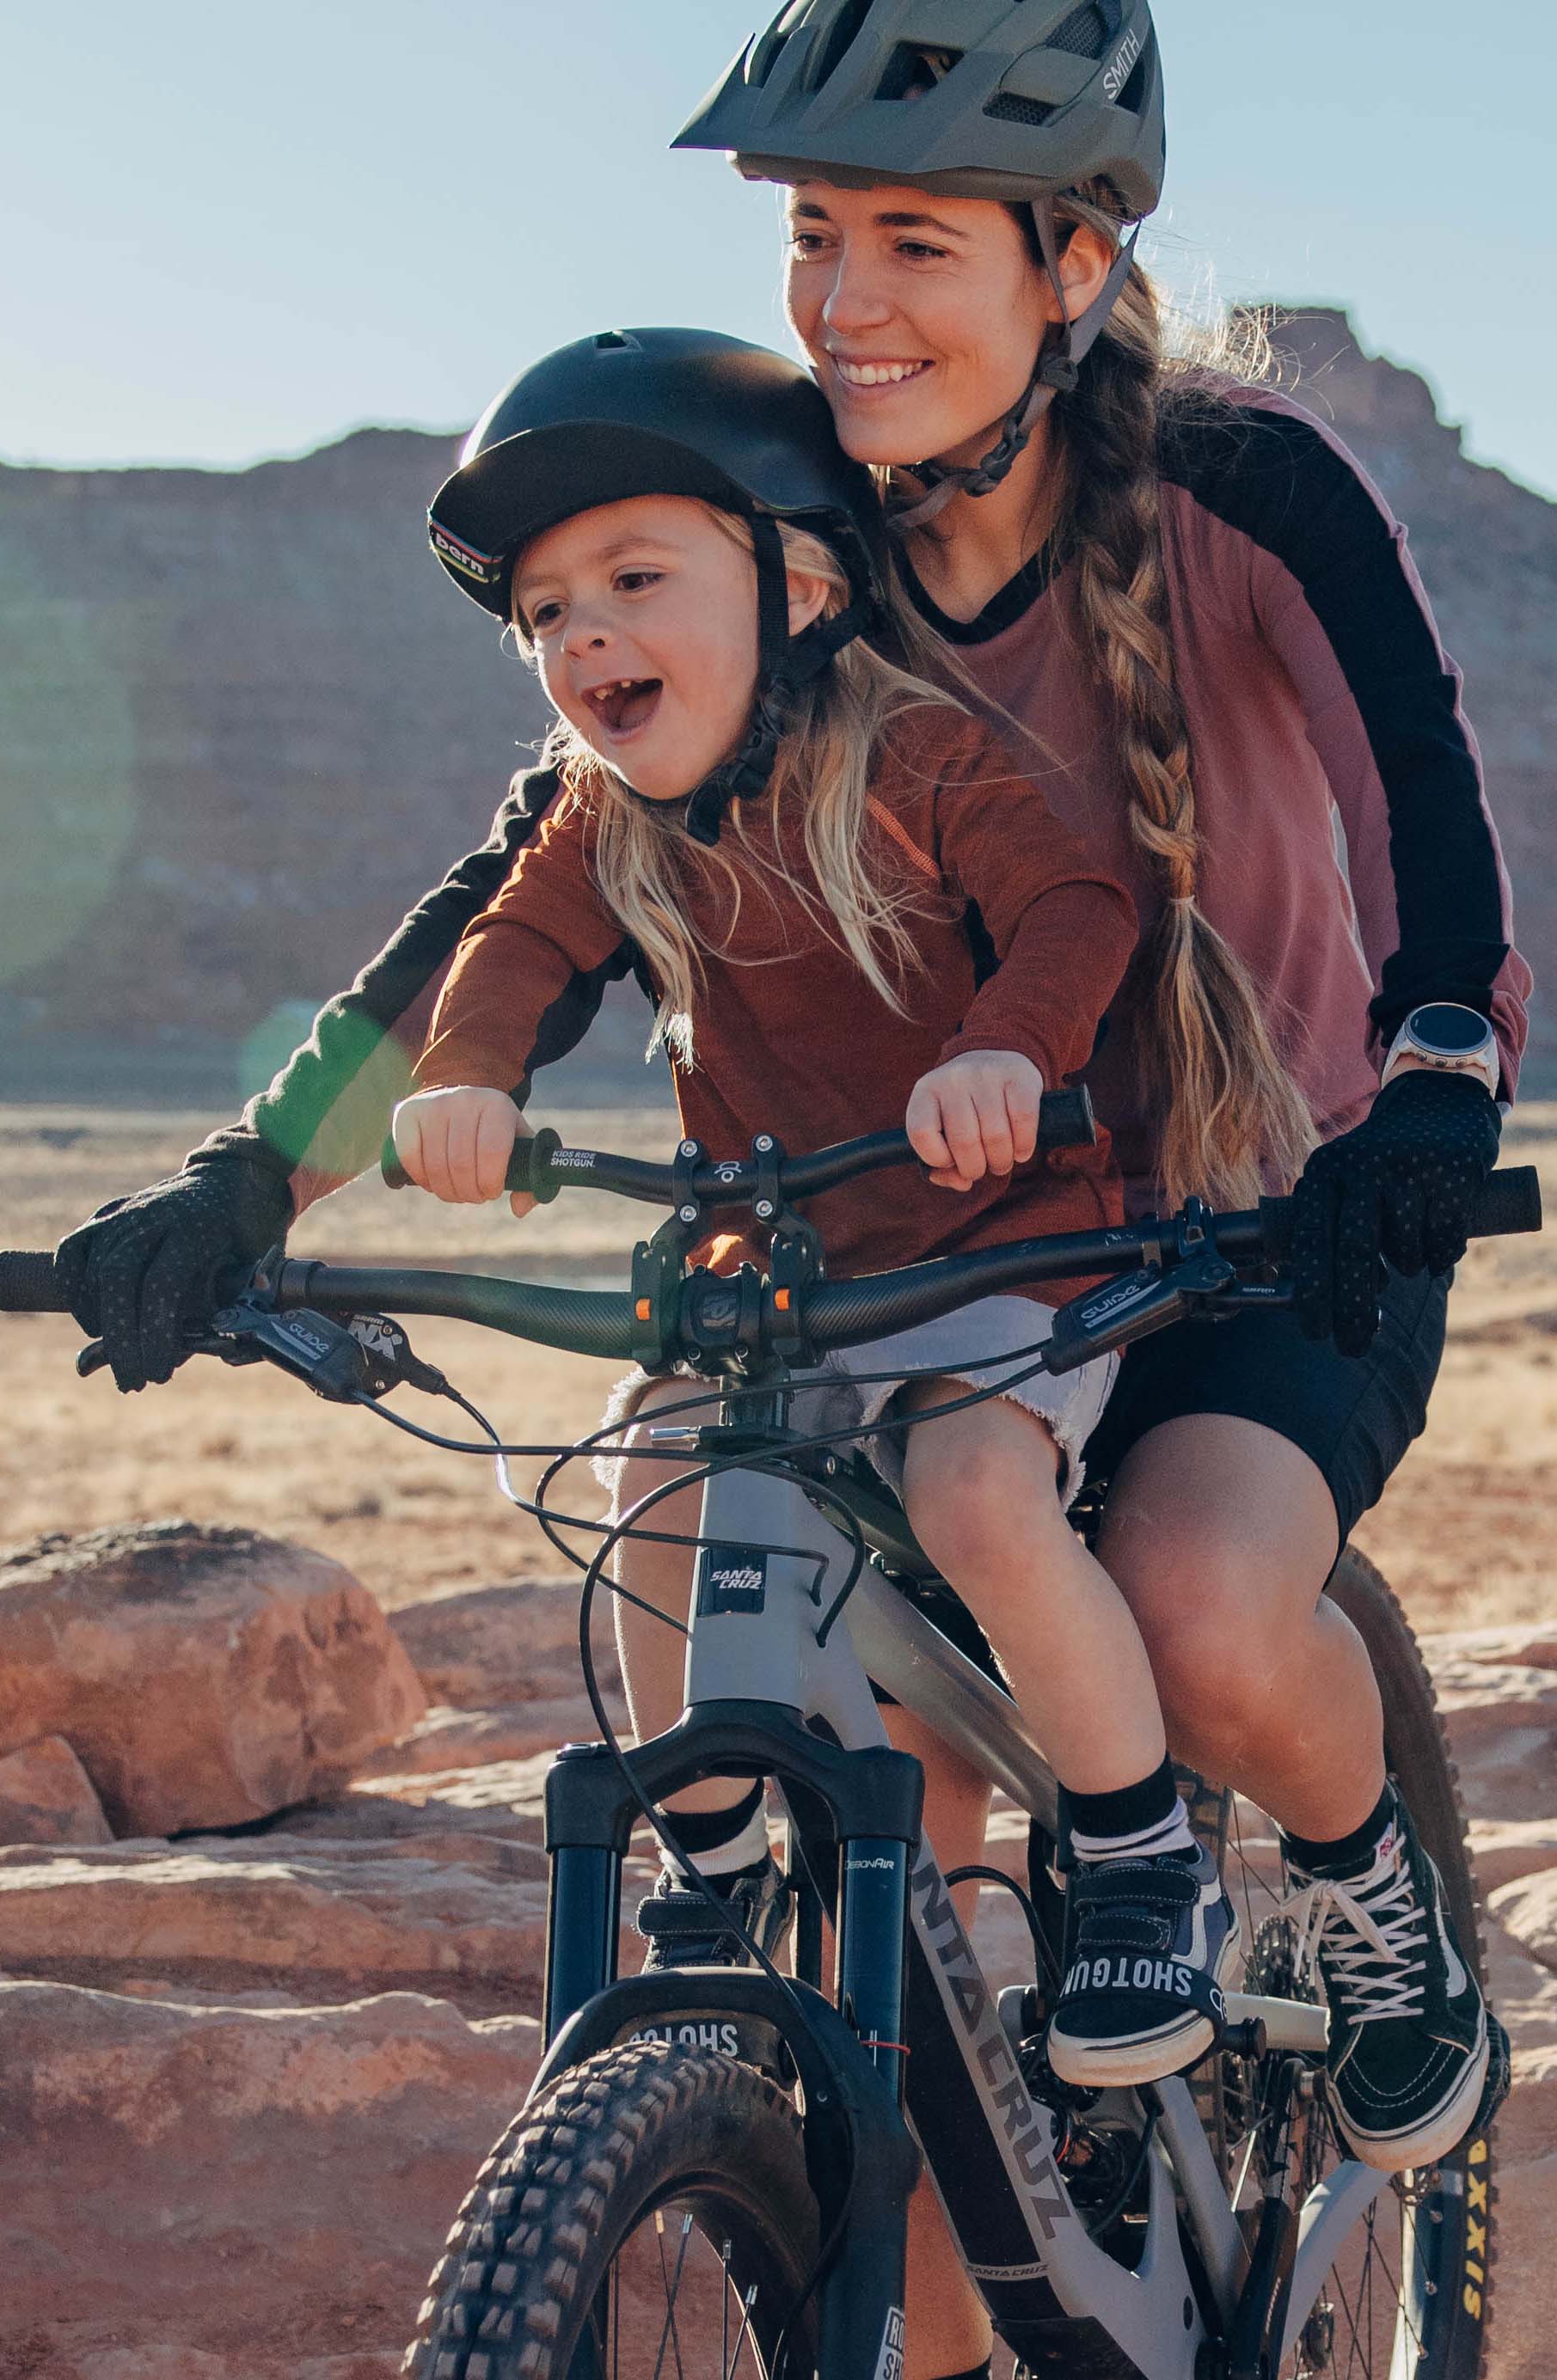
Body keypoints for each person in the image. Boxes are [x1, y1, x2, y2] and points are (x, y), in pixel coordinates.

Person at [52, 6, 1528, 2371]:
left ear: (1071, 259)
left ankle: (1382, 1919)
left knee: (1201, 1611)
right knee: (897, 1914)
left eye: (910, 238)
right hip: (898, 1264)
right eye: (813, 232)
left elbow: (1424, 802)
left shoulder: (1242, 486)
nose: (840, 295)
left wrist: (1442, 1080)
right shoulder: (780, 523)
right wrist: (252, 1174)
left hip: (1261, 1227)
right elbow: (512, 888)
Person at [392, 324, 1240, 2090]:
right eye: (545, 614)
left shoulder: (921, 757)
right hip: (783, 1270)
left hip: (1005, 1244)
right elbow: (516, 949)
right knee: (652, 1478)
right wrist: (467, 1077)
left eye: (632, 578)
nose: (583, 637)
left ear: (795, 583)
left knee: (973, 1483)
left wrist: (1004, 1049)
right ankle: (703, 1861)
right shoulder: (597, 817)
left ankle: (1139, 1843)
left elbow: (1081, 902)